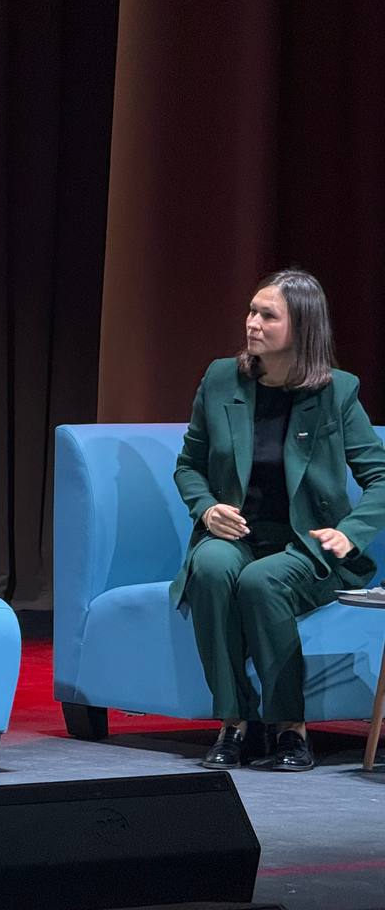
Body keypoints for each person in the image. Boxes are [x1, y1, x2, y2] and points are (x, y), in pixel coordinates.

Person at [171, 268, 385, 772]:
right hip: (236, 534)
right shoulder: (221, 378)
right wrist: (207, 508)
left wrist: (349, 533)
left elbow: (380, 477)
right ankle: (234, 723)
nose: (252, 323)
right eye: (251, 311)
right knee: (212, 568)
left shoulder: (337, 392)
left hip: (307, 546)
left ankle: (290, 726)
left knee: (262, 581)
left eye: (268, 315)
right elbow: (188, 466)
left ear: (302, 326)